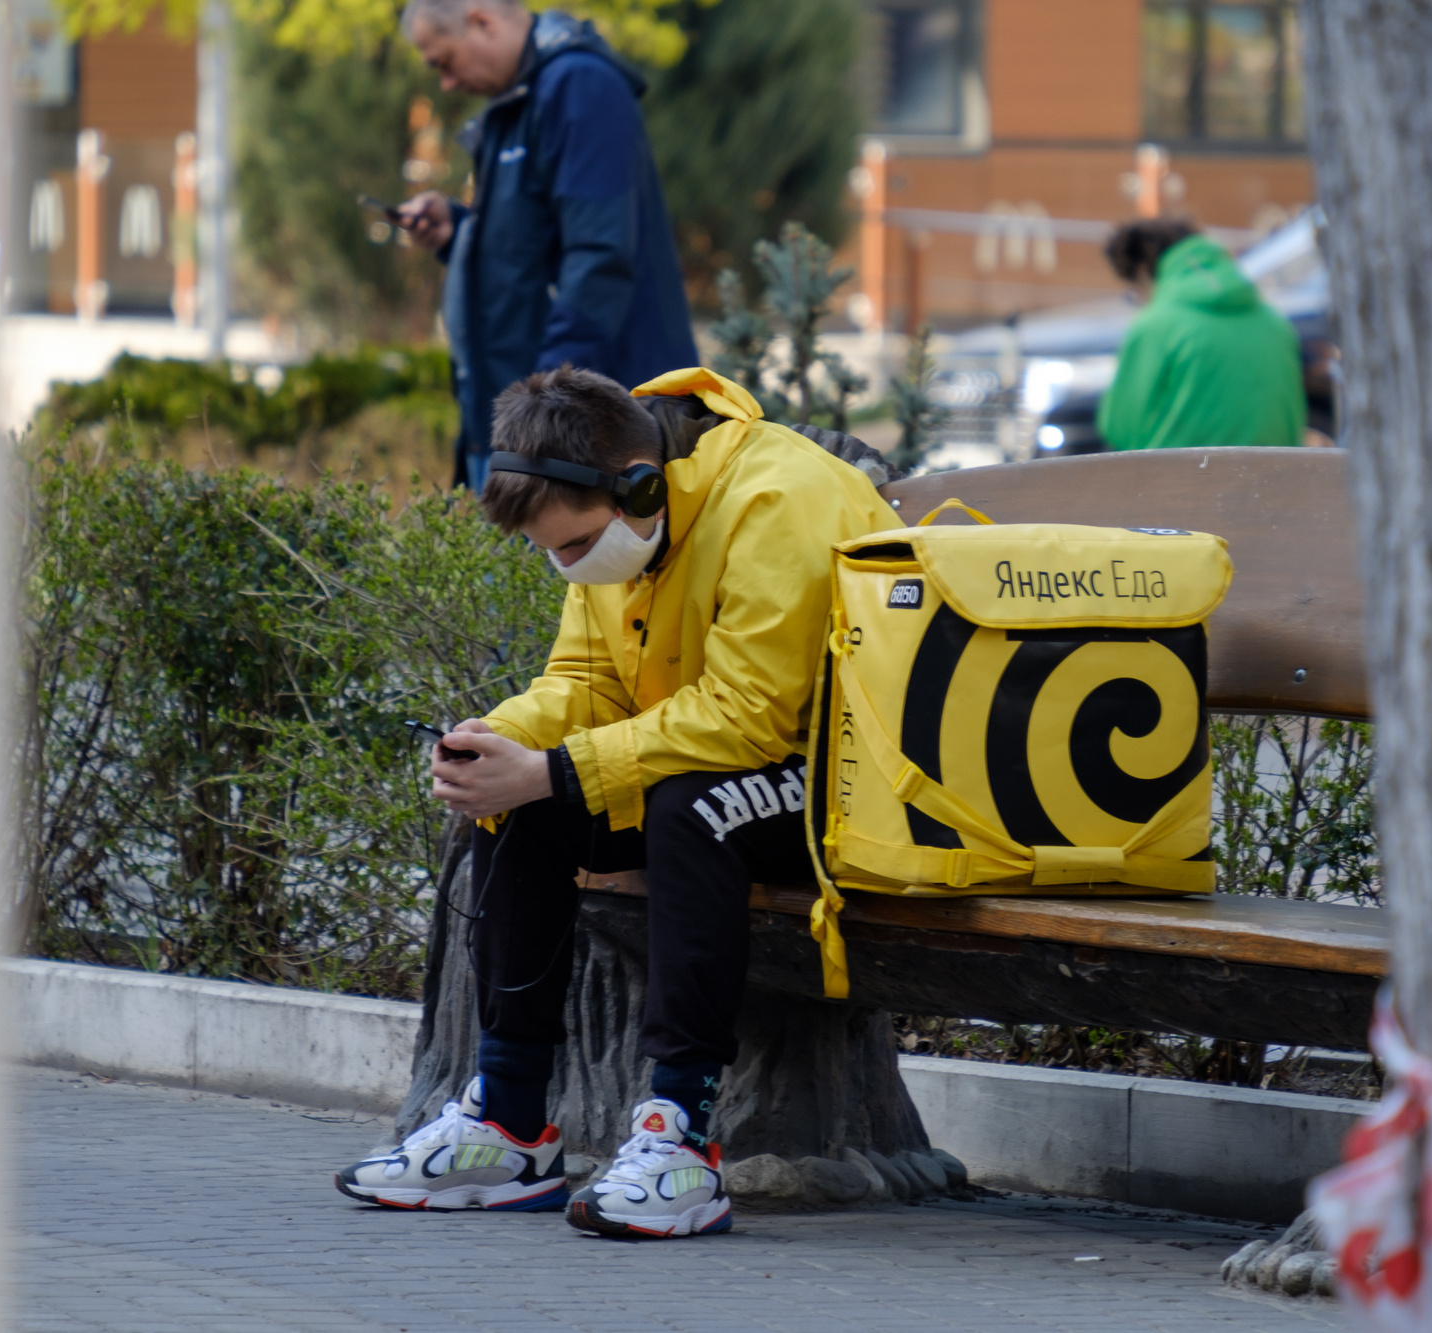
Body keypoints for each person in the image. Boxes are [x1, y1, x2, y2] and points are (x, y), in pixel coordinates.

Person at [332, 366, 898, 1238]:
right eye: (553, 553)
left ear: (639, 483)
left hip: (848, 778)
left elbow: (751, 717)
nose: (569, 565)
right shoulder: (625, 510)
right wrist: (499, 741)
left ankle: (680, 1140)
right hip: (728, 764)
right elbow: (585, 681)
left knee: (687, 806)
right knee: (522, 801)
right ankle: (511, 1124)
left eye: (576, 545)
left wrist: (556, 769)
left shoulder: (779, 499)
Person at [395, 0, 698, 491]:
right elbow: (535, 245)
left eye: (443, 62)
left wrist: (544, 417)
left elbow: (598, 259)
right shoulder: (518, 101)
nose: (445, 83)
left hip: (581, 438)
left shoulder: (580, 87)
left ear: (481, 20)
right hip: (523, 433)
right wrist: (461, 230)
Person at [1095, 219, 1306, 451]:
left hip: (1182, 481)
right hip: (1273, 479)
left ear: (1142, 272)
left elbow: (1120, 428)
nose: (1139, 303)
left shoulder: (1157, 326)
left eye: (1134, 294)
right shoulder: (1274, 322)